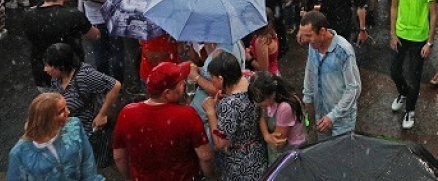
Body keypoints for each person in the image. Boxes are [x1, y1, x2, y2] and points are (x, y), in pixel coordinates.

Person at [113, 61, 215, 181]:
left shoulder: (127, 113)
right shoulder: (187, 115)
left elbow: (119, 157)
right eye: (181, 84)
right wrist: (211, 176)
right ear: (167, 93)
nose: (185, 84)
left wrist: (130, 177)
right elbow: (205, 156)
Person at [44, 42, 122, 169]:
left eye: (49, 66)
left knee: (96, 162)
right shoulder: (56, 78)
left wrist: (102, 114)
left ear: (61, 66)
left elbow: (115, 85)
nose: (45, 69)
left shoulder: (84, 76)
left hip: (91, 132)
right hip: (73, 132)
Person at [389, 0, 438, 130]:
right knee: (394, 70)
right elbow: (394, 7)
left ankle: (410, 109)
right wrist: (393, 33)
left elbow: (433, 14)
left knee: (414, 76)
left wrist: (430, 42)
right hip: (402, 34)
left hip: (419, 37)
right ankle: (403, 93)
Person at [7, 92, 103, 181]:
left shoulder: (74, 126)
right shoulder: (19, 153)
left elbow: (87, 161)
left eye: (66, 107)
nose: (68, 112)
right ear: (46, 118)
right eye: (61, 111)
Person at [22, 0, 100, 88]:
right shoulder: (73, 15)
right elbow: (94, 35)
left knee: (50, 104)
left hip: (42, 73)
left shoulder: (29, 15)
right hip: (69, 74)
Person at [202, 51, 267, 181]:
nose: (212, 81)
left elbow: (221, 142)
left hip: (239, 162)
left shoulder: (229, 105)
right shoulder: (252, 81)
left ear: (221, 79)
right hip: (258, 152)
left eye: (212, 78)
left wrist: (210, 112)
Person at [299, 10, 362, 138]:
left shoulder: (344, 51)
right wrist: (307, 98)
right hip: (321, 117)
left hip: (342, 122)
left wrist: (332, 116)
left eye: (309, 35)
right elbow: (310, 71)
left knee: (341, 156)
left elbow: (354, 88)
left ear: (322, 31)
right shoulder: (313, 45)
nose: (305, 40)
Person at [248, 71, 307, 164]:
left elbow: (278, 143)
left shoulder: (285, 107)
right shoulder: (269, 102)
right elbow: (261, 116)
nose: (257, 104)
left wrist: (267, 136)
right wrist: (267, 135)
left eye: (260, 101)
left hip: (290, 153)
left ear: (271, 95)